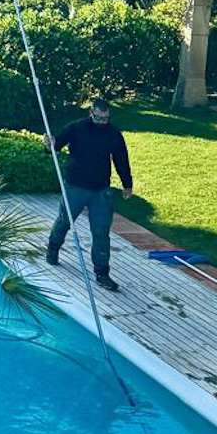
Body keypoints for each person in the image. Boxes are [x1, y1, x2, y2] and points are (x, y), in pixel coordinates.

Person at [44, 98, 133, 292]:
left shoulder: (113, 134)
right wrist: (50, 143)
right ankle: (53, 247)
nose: (102, 122)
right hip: (75, 186)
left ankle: (102, 272)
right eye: (98, 118)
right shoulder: (77, 128)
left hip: (101, 190)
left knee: (101, 232)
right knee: (64, 221)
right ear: (91, 114)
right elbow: (55, 145)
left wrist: (127, 184)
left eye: (105, 119)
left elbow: (121, 159)